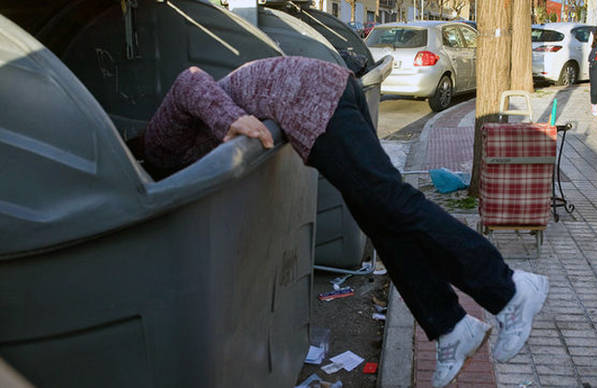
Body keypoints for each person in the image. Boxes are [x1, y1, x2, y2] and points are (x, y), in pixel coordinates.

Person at [143, 56, 549, 388]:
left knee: (393, 204)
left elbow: (188, 79)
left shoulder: (156, 152)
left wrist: (229, 119)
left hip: (315, 103)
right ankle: (450, 328)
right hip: (322, 98)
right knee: (384, 221)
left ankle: (510, 290)